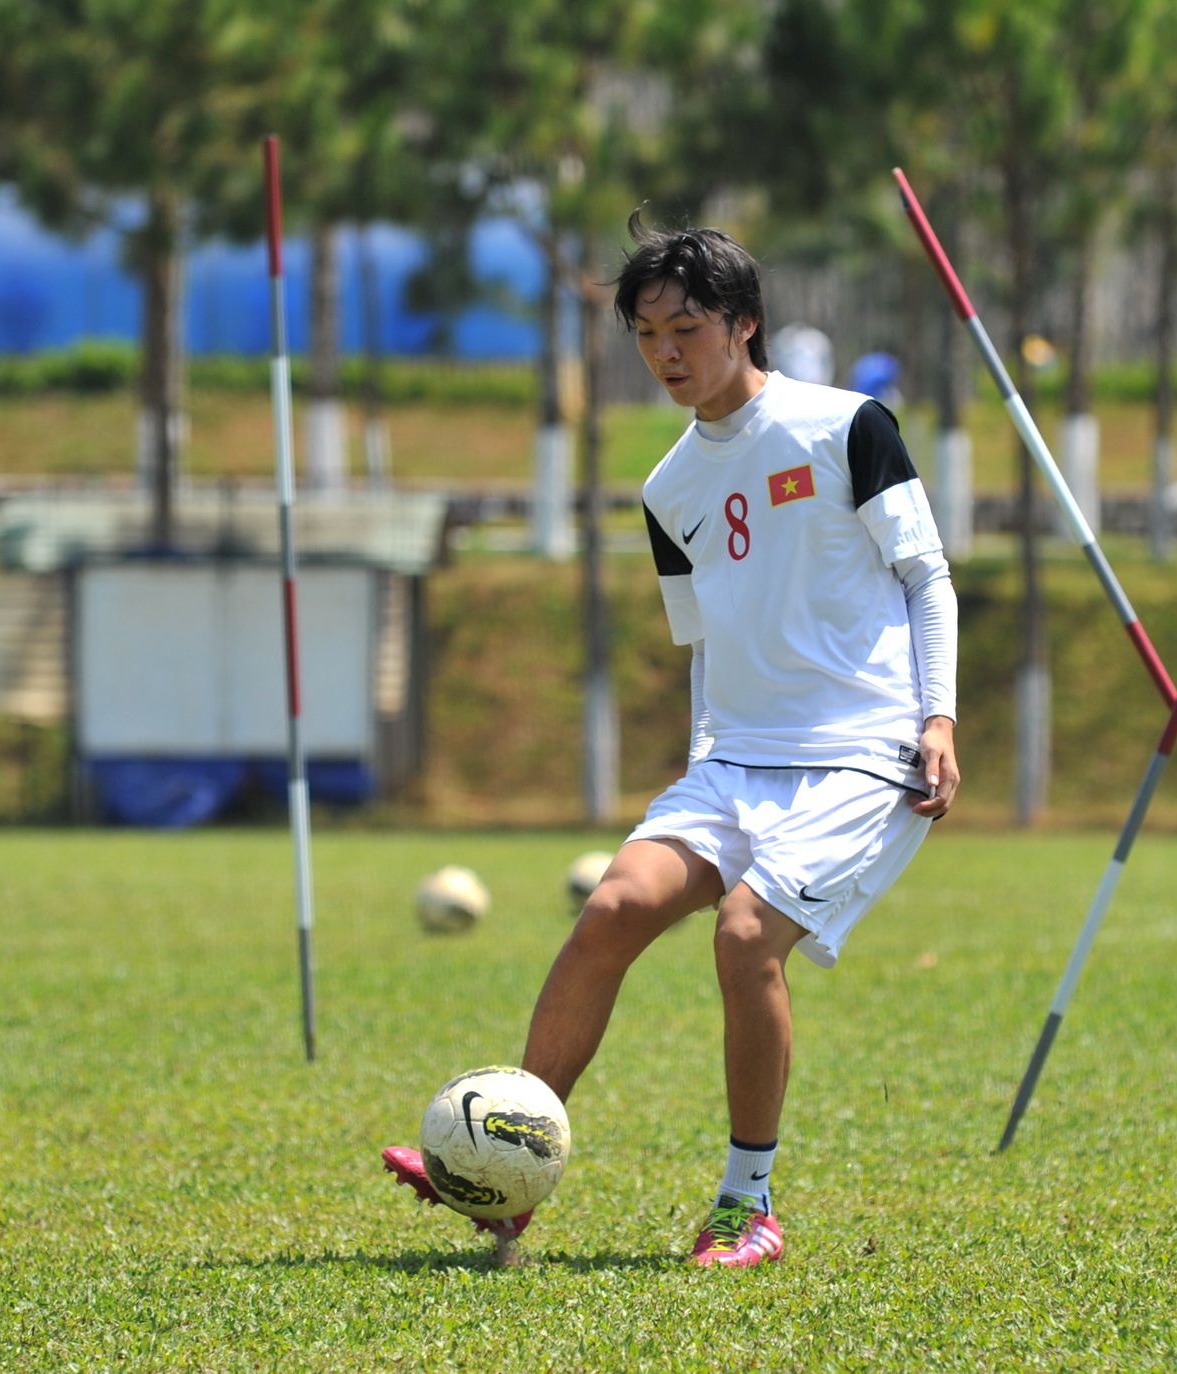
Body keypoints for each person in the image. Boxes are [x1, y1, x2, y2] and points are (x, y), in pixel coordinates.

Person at [385, 214, 960, 1267]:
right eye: (645, 334)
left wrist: (936, 719)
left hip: (857, 756)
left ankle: (749, 1209)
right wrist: (703, 756)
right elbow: (704, 643)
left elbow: (926, 577)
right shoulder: (666, 489)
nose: (664, 352)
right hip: (733, 761)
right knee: (609, 908)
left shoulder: (847, 424)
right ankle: (506, 1168)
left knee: (744, 940)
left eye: (685, 326)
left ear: (744, 324)